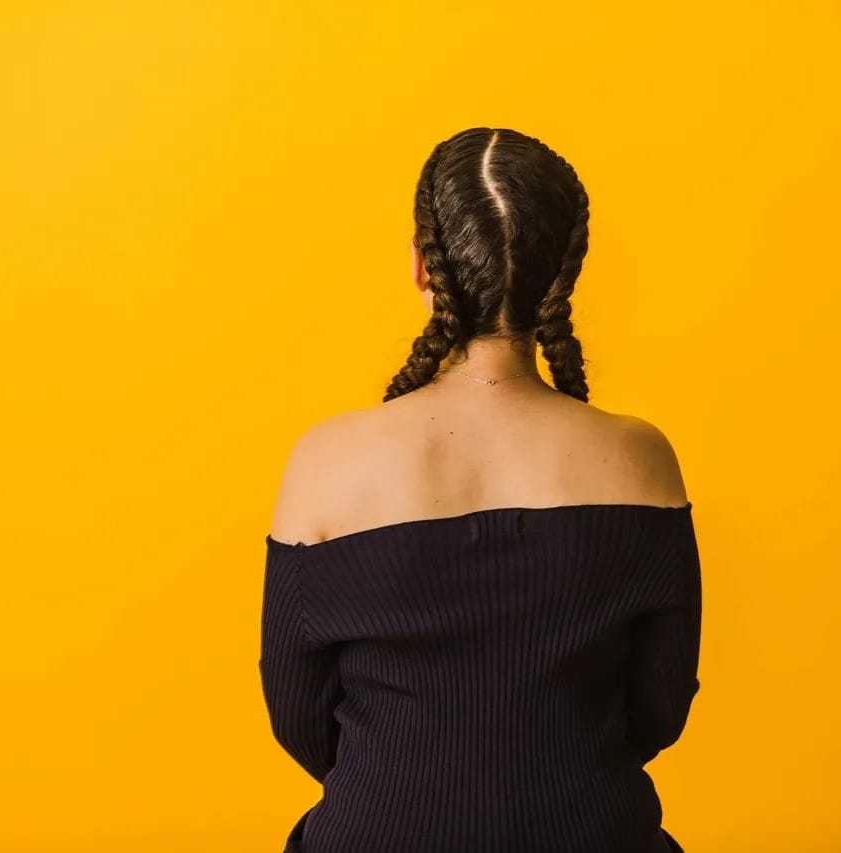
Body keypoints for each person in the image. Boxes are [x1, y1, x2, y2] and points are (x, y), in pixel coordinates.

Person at [260, 127, 701, 853]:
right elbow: (659, 709)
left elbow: (299, 718)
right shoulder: (642, 457)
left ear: (421, 265)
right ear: (564, 272)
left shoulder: (324, 461)